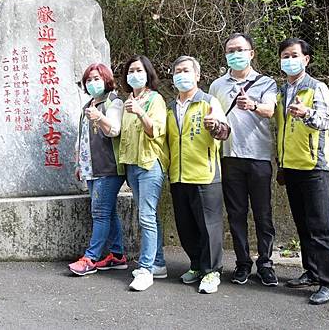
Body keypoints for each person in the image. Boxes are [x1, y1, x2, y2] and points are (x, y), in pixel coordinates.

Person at [208, 33, 278, 286]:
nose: (235, 54)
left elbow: (270, 110)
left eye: (240, 50)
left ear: (251, 53)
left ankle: (266, 263)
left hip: (259, 157)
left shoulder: (266, 83)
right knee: (236, 213)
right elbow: (214, 116)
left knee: (263, 213)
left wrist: (253, 105)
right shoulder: (216, 86)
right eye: (230, 51)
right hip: (228, 157)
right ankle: (242, 262)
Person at [275, 38, 329, 305]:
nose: (288, 60)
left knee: (320, 227)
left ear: (306, 59)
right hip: (290, 166)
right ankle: (312, 271)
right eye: (284, 55)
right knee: (303, 225)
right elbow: (280, 131)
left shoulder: (317, 88)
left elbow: (326, 121)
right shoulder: (282, 91)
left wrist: (306, 113)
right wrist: (280, 163)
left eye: (294, 55)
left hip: (314, 167)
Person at [166, 55, 230, 294]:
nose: (181, 75)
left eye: (186, 71)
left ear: (197, 76)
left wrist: (215, 126)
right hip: (178, 176)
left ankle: (212, 271)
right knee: (185, 226)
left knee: (209, 225)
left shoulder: (209, 102)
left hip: (205, 175)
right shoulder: (170, 108)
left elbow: (223, 131)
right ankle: (196, 264)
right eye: (177, 71)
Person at [68, 63, 126, 276]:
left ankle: (90, 258)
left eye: (96, 78)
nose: (93, 83)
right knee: (108, 212)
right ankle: (117, 255)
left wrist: (100, 118)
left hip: (107, 167)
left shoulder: (114, 102)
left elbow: (115, 130)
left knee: (99, 213)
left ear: (106, 79)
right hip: (90, 167)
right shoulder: (88, 105)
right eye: (89, 80)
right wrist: (78, 163)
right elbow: (81, 138)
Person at [118, 55, 169, 291]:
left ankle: (146, 269)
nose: (134, 74)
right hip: (133, 165)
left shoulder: (155, 99)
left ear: (148, 73)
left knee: (146, 216)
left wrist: (140, 111)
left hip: (150, 164)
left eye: (139, 70)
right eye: (130, 71)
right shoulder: (127, 100)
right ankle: (158, 263)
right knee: (148, 215)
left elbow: (155, 131)